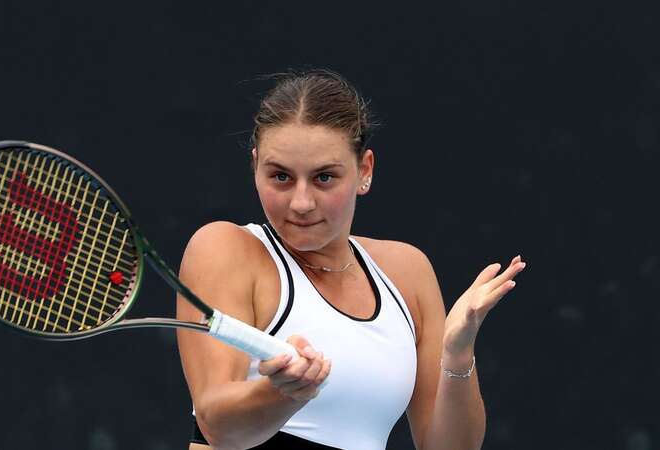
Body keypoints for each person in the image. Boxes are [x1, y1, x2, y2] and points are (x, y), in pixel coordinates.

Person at [176, 69, 526, 450]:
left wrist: (457, 355)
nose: (301, 202)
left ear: (364, 170)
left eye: (324, 178)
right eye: (280, 177)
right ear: (256, 165)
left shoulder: (408, 271)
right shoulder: (226, 249)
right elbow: (218, 427)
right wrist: (286, 393)